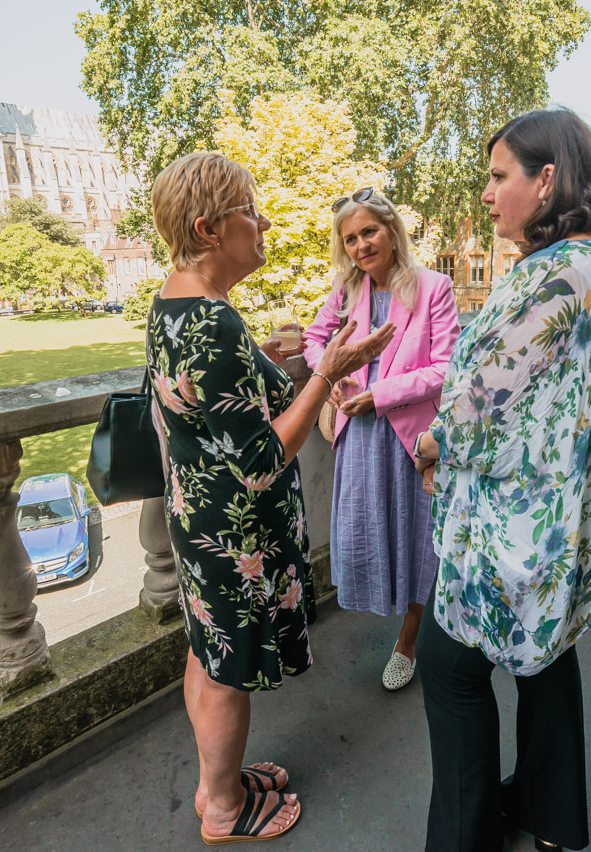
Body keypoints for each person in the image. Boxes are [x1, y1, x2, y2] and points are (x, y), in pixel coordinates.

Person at [410, 108, 591, 852]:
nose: (486, 193)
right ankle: (552, 813)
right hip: (566, 517)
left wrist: (432, 442)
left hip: (511, 523)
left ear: (546, 180)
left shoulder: (551, 277)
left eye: (498, 176)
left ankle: (462, 838)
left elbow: (477, 404)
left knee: (448, 670)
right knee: (544, 655)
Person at [146, 152, 395, 843]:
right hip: (234, 533)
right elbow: (260, 460)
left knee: (206, 649)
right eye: (249, 211)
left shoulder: (178, 300)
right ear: (207, 226)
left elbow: (222, 401)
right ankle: (224, 808)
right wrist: (332, 371)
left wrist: (286, 356)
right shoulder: (215, 324)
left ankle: (213, 783)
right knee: (227, 671)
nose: (262, 221)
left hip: (196, 520)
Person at [303, 188, 460, 692]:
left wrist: (379, 393)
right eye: (350, 238)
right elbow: (313, 341)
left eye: (368, 231)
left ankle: (409, 641)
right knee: (365, 532)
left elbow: (447, 367)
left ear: (392, 231)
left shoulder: (434, 287)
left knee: (419, 540)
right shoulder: (347, 291)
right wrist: (332, 377)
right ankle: (390, 608)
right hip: (357, 436)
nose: (360, 245)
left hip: (409, 439)